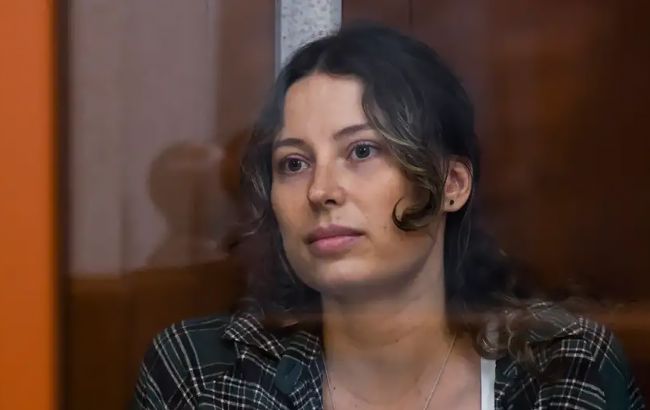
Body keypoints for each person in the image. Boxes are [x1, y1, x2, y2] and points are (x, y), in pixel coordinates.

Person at [132, 24, 645, 409]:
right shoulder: (204, 376)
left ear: (451, 183)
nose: (321, 191)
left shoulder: (564, 371)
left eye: (362, 151)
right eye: (294, 163)